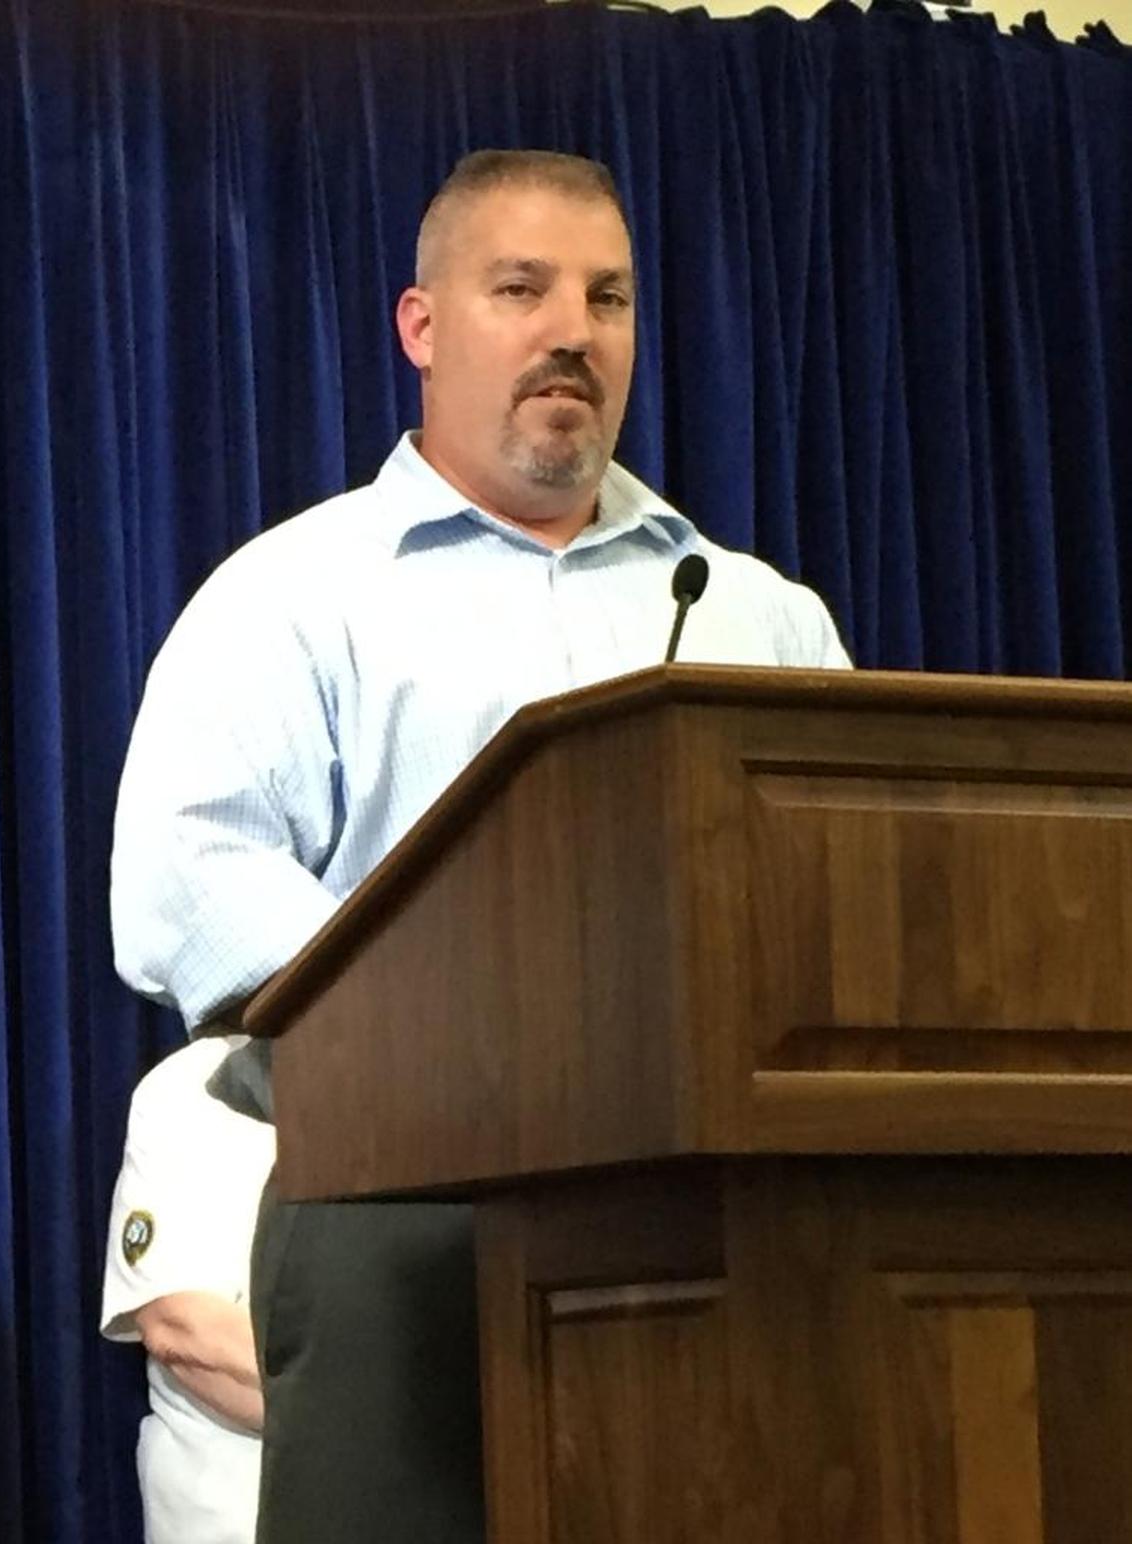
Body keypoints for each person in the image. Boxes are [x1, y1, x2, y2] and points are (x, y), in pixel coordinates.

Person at [110, 148, 851, 1544]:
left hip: (728, 1219)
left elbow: (852, 895)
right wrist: (477, 1013)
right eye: (522, 289)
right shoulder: (292, 597)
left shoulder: (758, 615)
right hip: (405, 1210)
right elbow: (184, 888)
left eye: (608, 297)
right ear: (422, 325)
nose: (574, 329)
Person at [100, 1035, 275, 1544]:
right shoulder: (194, 1085)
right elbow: (184, 1331)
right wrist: (376, 1417)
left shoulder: (413, 1074)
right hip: (235, 1514)